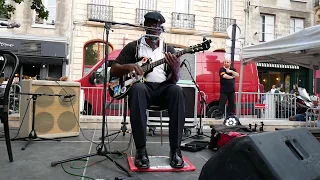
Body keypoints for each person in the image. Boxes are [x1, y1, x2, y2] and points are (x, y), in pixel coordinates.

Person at [110, 11, 185, 169]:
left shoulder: (168, 49)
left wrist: (176, 69)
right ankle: (141, 150)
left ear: (161, 29)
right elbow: (114, 69)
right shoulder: (134, 47)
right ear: (145, 26)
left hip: (163, 89)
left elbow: (173, 80)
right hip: (143, 90)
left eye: (157, 26)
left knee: (177, 90)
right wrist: (128, 66)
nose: (154, 28)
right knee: (137, 89)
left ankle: (176, 150)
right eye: (151, 25)